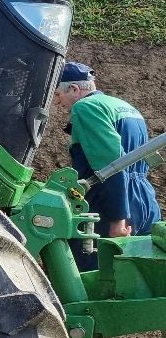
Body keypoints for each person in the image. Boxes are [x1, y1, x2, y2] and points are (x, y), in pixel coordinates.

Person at [52, 61, 161, 256]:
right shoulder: (125, 107)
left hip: (109, 204)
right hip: (144, 201)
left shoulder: (85, 108)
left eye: (58, 95)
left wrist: (118, 219)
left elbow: (111, 165)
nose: (57, 102)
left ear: (74, 89)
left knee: (93, 276)